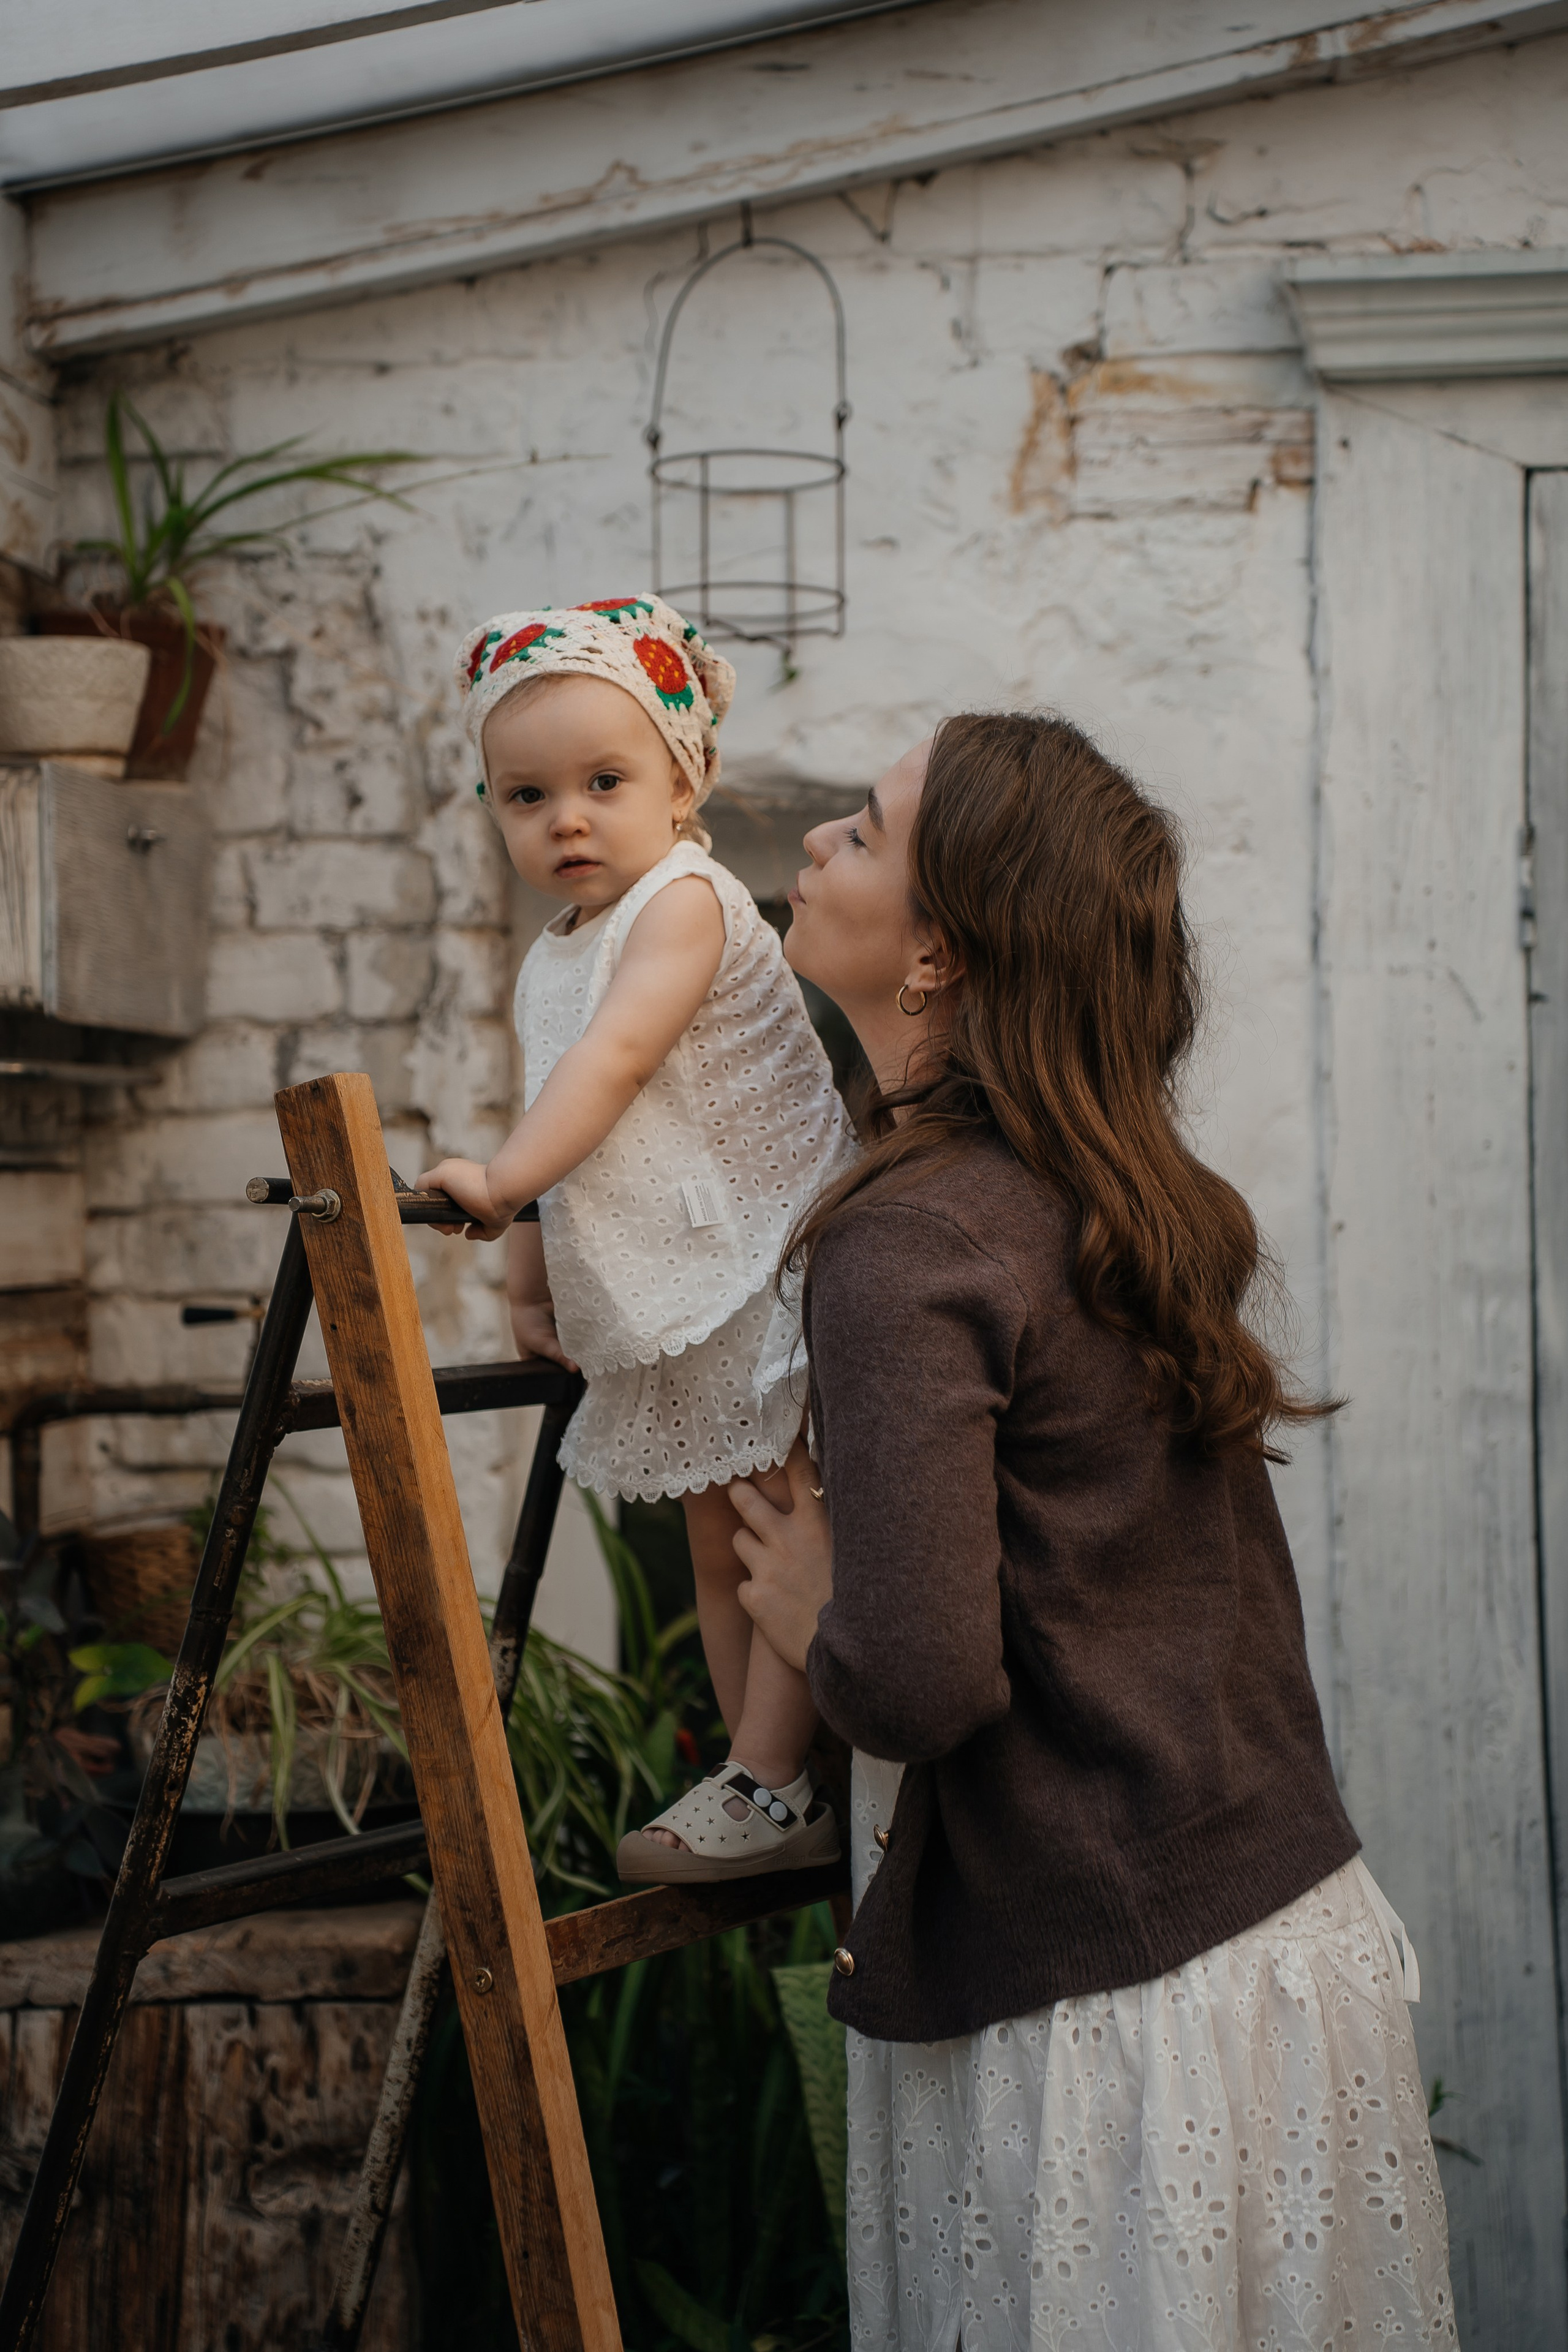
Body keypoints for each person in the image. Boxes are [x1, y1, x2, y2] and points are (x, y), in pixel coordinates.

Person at [730, 714, 1457, 2347]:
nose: (817, 845)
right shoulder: (1107, 1192)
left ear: (942, 950)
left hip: (1114, 2016)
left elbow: (919, 1685)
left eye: (866, 828)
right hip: (1279, 1950)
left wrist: (820, 1615)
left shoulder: (914, 1235)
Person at [419, 594, 850, 1883]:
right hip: (686, 1268)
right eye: (522, 795)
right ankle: (752, 1776)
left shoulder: (684, 902)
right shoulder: (556, 949)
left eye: (603, 781)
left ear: (683, 779)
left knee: (780, 1523)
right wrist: (530, 1247)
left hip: (768, 1253)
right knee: (714, 1544)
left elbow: (609, 1068)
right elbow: (571, 1098)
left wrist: (499, 1181)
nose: (563, 819)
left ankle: (779, 1785)